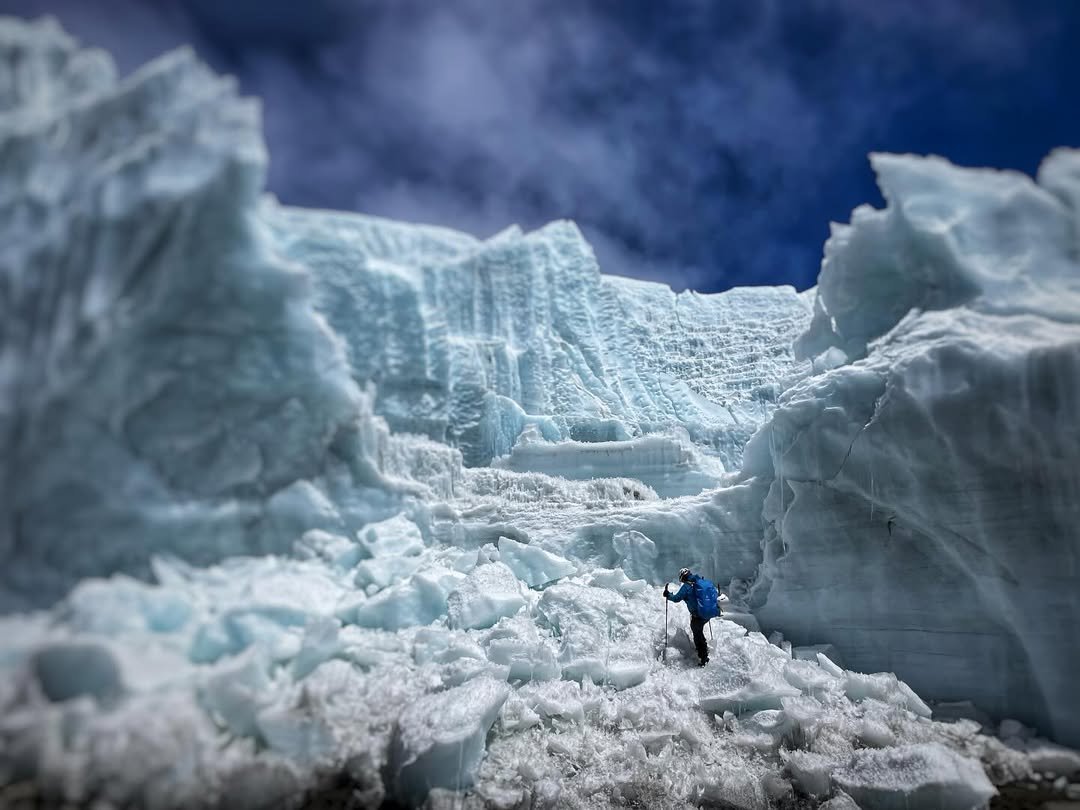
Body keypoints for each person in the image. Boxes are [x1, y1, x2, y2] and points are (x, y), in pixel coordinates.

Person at [664, 567, 718, 666]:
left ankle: (704, 658)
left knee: (697, 635)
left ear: (682, 577)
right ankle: (704, 650)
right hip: (707, 613)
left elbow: (676, 598)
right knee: (699, 632)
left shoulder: (686, 586)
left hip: (698, 616)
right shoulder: (700, 582)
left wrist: (668, 595)